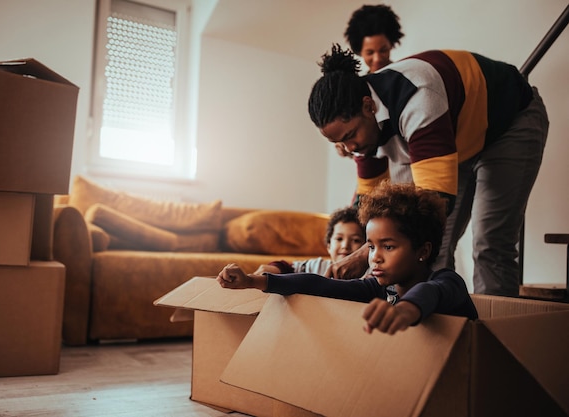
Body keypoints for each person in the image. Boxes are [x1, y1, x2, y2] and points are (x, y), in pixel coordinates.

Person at [310, 44, 549, 297]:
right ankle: (429, 325)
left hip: (510, 123)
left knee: (490, 243)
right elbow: (371, 210)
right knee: (427, 250)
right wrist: (359, 253)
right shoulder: (363, 136)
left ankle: (493, 332)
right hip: (455, 138)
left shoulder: (418, 97)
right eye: (339, 143)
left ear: (369, 106)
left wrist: (367, 252)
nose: (350, 149)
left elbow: (433, 204)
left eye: (350, 136)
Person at [217, 181, 478, 335]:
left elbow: (429, 293)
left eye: (387, 247)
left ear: (423, 251)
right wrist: (253, 281)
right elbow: (317, 284)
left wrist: (406, 311)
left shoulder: (447, 281)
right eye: (371, 247)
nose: (374, 258)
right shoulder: (378, 288)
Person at [336, 5, 411, 193]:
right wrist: (347, 146)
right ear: (360, 52)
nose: (377, 58)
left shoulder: (405, 82)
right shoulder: (356, 89)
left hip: (406, 172)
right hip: (370, 175)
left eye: (383, 50)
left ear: (392, 45)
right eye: (370, 53)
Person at [254, 206, 364, 276]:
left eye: (356, 240)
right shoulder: (318, 266)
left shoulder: (369, 274)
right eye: (339, 239)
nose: (345, 245)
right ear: (329, 246)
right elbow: (288, 267)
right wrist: (275, 269)